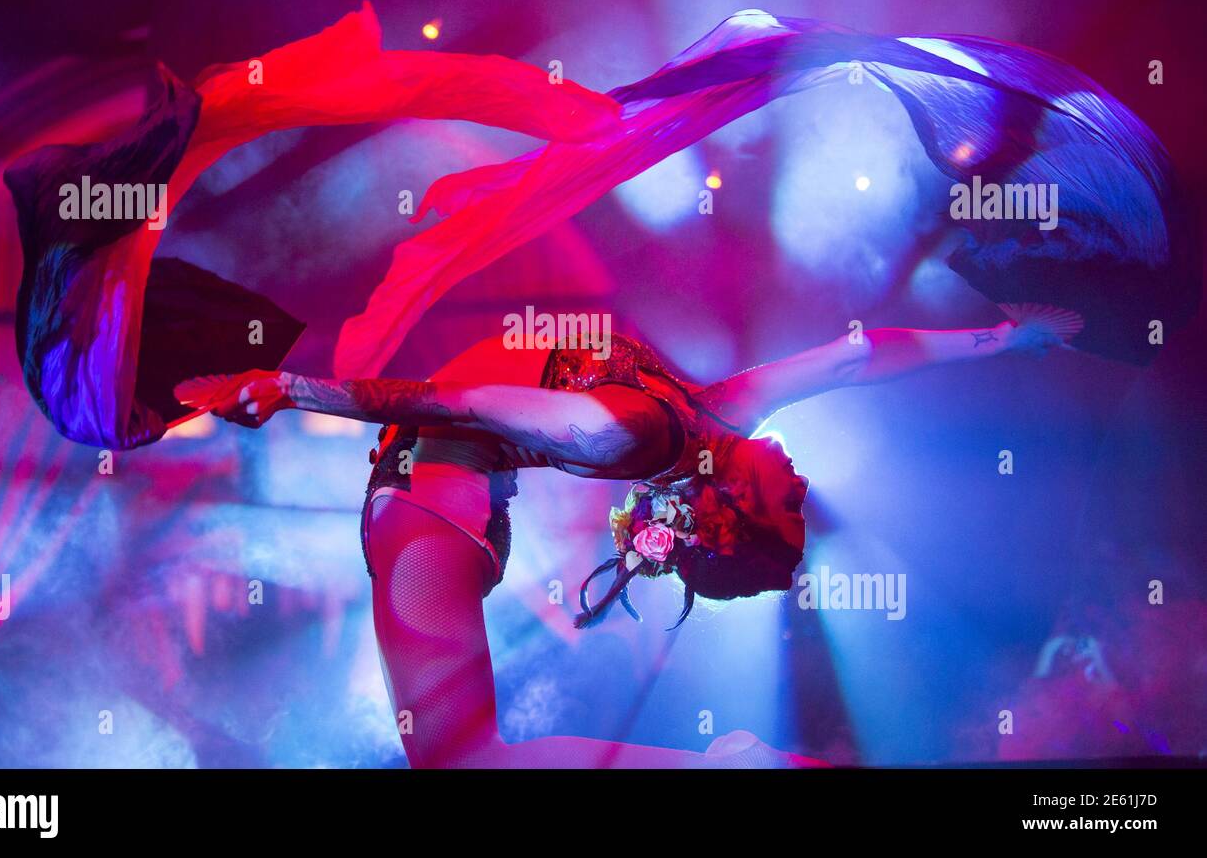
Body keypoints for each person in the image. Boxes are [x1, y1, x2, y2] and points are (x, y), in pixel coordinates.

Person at [178, 306, 1080, 768]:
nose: (803, 483)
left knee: (463, 764)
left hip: (428, 506)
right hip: (440, 507)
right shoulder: (709, 414)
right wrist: (1008, 335)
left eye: (789, 505)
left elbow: (454, 400)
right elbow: (855, 356)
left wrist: (295, 389)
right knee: (466, 762)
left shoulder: (625, 431)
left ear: (727, 510)